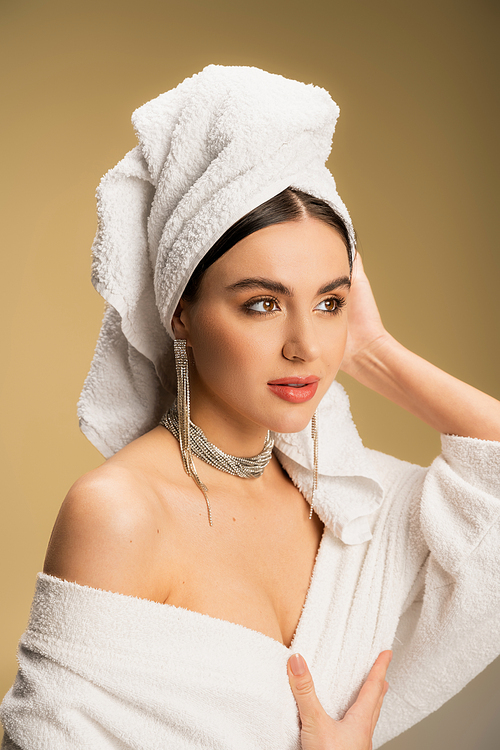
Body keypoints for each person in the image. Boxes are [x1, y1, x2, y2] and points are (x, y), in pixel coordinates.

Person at [1, 64, 499, 750]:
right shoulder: (119, 512)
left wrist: (373, 347)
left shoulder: (348, 507)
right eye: (262, 304)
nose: (306, 347)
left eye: (329, 303)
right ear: (181, 312)